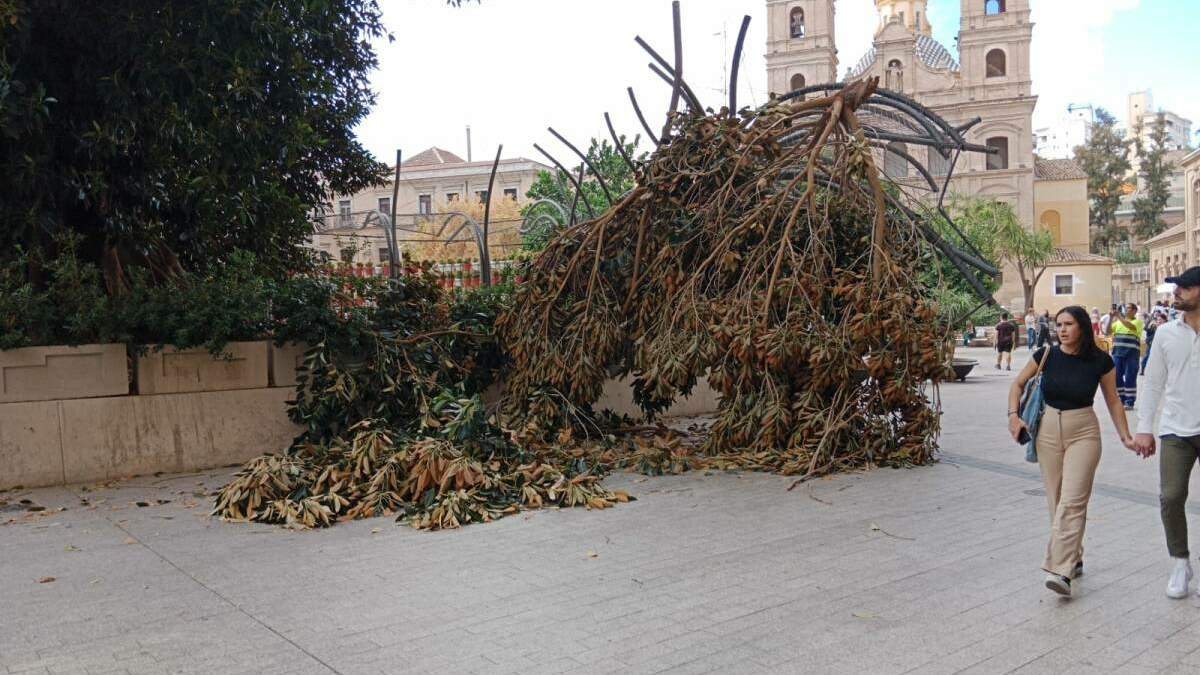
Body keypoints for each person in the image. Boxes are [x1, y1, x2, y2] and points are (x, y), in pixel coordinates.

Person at [1008, 306, 1135, 597]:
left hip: (1084, 431)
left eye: (1068, 324)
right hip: (1048, 428)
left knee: (1073, 500)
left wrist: (1126, 436)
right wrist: (1013, 415)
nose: (1062, 330)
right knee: (1055, 498)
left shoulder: (1100, 361)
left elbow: (1114, 401)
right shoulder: (1046, 355)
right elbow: (1017, 384)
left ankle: (1060, 570)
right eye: (1059, 324)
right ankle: (1074, 556)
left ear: (1082, 328)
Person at [1133, 266, 1200, 599]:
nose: (1176, 293)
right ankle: (1180, 561)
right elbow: (1153, 383)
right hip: (1175, 429)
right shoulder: (1165, 333)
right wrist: (1144, 428)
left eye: (1184, 288)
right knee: (1171, 496)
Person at [1110, 302, 1144, 410]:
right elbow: (1106, 331)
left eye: (1129, 308)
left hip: (1131, 354)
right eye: (1126, 308)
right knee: (1117, 378)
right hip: (1117, 353)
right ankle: (1123, 399)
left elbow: (1130, 326)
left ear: (1134, 311)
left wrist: (1119, 316)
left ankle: (1130, 402)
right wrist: (1111, 318)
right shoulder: (1118, 322)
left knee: (1130, 377)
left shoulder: (1137, 321)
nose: (1126, 310)